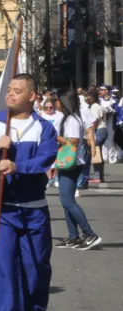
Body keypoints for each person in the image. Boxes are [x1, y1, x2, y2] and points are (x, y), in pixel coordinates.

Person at [0, 74, 58, 311]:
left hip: (34, 208)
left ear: (32, 96)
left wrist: (17, 165)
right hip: (1, 208)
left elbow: (45, 159)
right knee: (2, 262)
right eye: (9, 90)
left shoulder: (45, 128)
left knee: (36, 265)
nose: (11, 95)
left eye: (17, 91)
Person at [55, 90, 102, 250]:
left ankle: (89, 234)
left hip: (72, 163)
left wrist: (56, 137)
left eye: (57, 101)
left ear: (64, 102)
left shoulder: (72, 120)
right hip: (70, 162)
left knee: (67, 200)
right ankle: (73, 236)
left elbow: (74, 141)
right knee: (66, 201)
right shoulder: (68, 118)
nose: (56, 104)